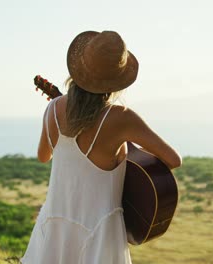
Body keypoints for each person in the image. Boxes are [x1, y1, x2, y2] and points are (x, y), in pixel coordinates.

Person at [20, 30, 181, 264]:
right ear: (117, 80)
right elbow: (173, 160)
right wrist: (130, 159)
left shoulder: (53, 109)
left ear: (78, 69)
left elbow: (44, 156)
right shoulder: (122, 118)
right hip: (99, 234)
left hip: (55, 229)